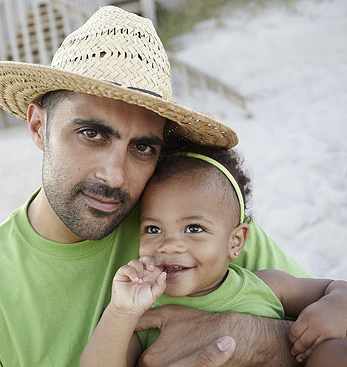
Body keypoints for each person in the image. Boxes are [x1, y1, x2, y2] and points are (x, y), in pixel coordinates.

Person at [0, 6, 314, 366]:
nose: (115, 176)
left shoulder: (193, 214)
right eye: (91, 134)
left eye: (142, 147)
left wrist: (257, 339)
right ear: (39, 127)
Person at [80, 145, 347, 367]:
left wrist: (337, 304)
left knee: (334, 352)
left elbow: (332, 287)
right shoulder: (145, 312)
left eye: (194, 228)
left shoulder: (269, 285)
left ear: (236, 241)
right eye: (153, 229)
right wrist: (120, 312)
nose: (169, 245)